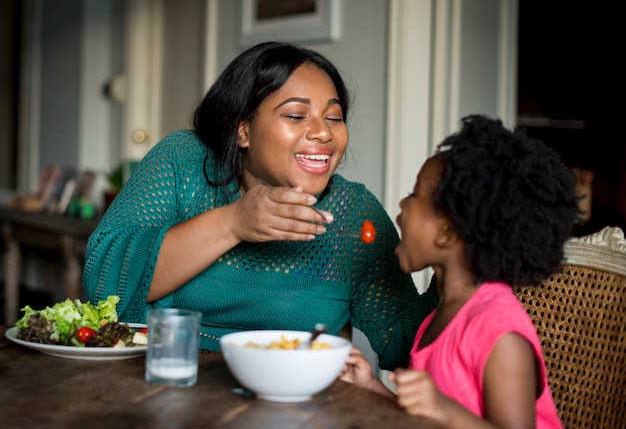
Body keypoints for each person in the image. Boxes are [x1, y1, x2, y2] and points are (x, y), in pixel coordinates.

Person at [83, 41, 439, 370]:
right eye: (296, 116)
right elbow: (104, 284)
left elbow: (408, 343)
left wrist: (459, 268)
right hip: (167, 381)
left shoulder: (353, 211)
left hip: (293, 404)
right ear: (243, 130)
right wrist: (233, 223)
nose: (323, 133)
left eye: (334, 117)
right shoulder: (185, 163)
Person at [340, 115, 579, 428]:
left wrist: (445, 410)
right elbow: (424, 418)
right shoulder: (438, 317)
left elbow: (448, 415)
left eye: (414, 195)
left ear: (447, 231)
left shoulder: (497, 328)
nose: (402, 203)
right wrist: (369, 385)